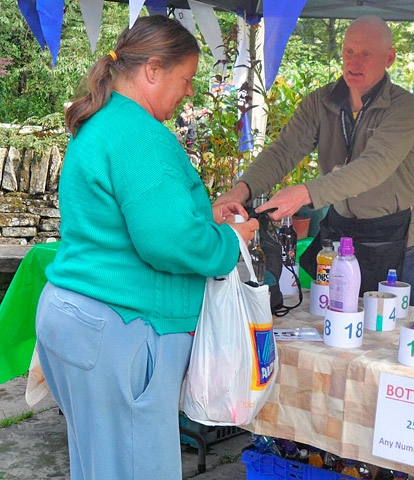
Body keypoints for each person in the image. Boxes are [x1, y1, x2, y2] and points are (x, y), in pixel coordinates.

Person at [35, 16, 258, 480]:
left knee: (101, 467)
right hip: (121, 330)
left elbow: (130, 220)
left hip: (82, 322)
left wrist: (201, 217)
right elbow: (167, 242)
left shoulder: (104, 122)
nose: (190, 92)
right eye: (187, 79)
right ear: (153, 70)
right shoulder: (141, 136)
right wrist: (230, 241)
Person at [215, 16, 414, 305]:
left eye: (366, 54)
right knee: (328, 321)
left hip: (392, 237)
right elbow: (284, 150)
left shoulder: (405, 108)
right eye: (349, 51)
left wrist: (304, 194)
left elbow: (372, 167)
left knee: (391, 333)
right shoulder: (321, 102)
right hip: (340, 235)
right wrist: (239, 191)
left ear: (389, 58)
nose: (355, 62)